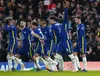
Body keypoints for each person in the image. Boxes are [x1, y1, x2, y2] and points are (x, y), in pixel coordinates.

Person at [56, 1, 78, 72]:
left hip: (66, 40)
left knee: (70, 54)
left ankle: (75, 68)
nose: (59, 18)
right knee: (58, 54)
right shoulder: (59, 25)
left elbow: (65, 15)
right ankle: (60, 67)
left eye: (61, 17)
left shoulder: (65, 22)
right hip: (61, 42)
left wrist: (65, 8)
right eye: (59, 17)